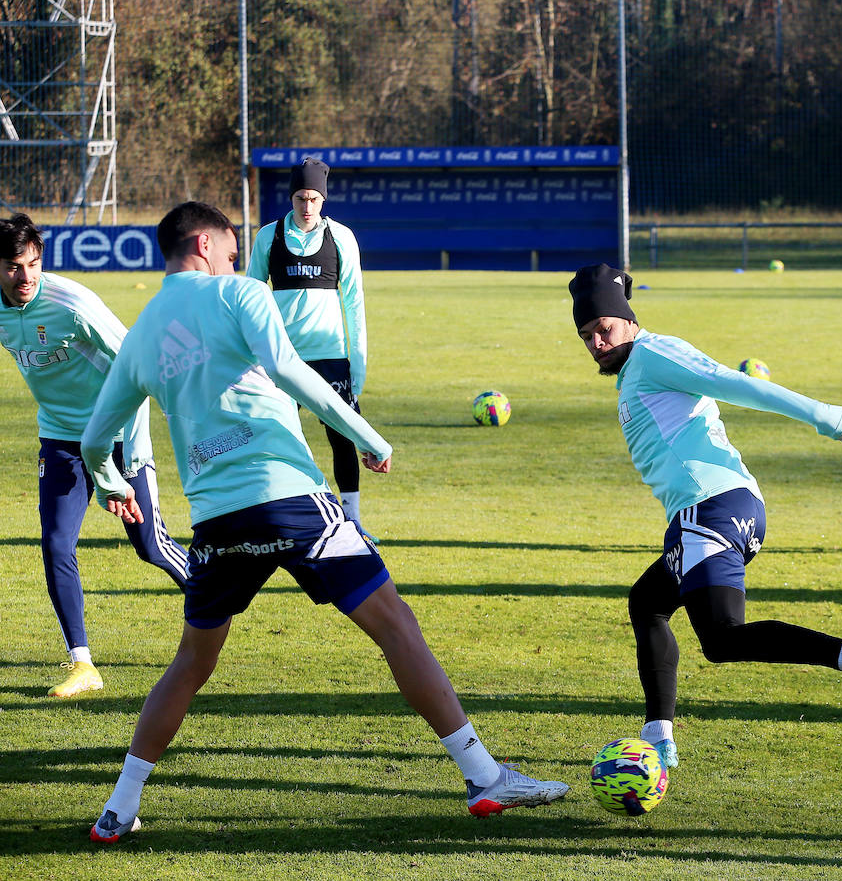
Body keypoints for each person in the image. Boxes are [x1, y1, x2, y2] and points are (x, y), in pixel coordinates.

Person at [83, 202, 566, 844]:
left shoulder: (142, 333)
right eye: (230, 247)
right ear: (204, 243)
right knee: (395, 625)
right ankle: (483, 777)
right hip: (289, 498)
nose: (235, 257)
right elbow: (288, 369)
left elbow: (94, 440)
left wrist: (112, 482)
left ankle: (119, 808)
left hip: (217, 523)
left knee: (191, 664)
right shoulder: (239, 293)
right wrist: (366, 435)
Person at [568, 263, 842, 771]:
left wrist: (828, 417)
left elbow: (736, 385)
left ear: (628, 320)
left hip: (711, 508)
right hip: (724, 509)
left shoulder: (655, 353)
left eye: (604, 329)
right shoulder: (637, 366)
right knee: (647, 602)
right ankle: (658, 735)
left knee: (722, 637)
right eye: (586, 335)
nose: (597, 341)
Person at [0, 214, 188, 699]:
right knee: (56, 543)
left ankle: (212, 597)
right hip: (60, 438)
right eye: (14, 267)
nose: (26, 278)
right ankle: (83, 665)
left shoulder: (71, 303)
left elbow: (136, 361)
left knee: (149, 546)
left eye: (34, 265)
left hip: (119, 432)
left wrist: (167, 413)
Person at [247, 157, 371, 533]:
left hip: (331, 357)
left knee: (343, 437)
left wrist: (358, 364)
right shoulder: (268, 236)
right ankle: (270, 515)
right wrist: (252, 354)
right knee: (271, 436)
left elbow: (354, 302)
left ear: (323, 200)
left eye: (314, 198)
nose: (307, 206)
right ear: (291, 197)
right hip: (281, 357)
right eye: (301, 198)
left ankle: (353, 520)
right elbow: (251, 297)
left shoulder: (342, 238)